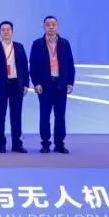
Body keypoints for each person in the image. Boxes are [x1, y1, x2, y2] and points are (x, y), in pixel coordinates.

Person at [29, 15, 75, 154]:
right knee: (45, 116)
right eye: (48, 24)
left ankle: (59, 143)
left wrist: (70, 82)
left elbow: (70, 64)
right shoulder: (37, 44)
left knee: (60, 116)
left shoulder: (64, 43)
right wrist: (36, 83)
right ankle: (45, 143)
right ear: (44, 27)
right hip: (44, 86)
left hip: (61, 85)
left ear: (57, 26)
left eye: (53, 24)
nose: (51, 27)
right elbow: (33, 66)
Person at [0, 21, 30, 153]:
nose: (6, 32)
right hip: (0, 86)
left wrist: (26, 84)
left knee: (16, 115)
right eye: (3, 30)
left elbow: (24, 67)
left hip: (16, 85)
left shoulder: (19, 47)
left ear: (12, 31)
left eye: (8, 29)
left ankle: (17, 144)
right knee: (0, 115)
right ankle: (1, 144)